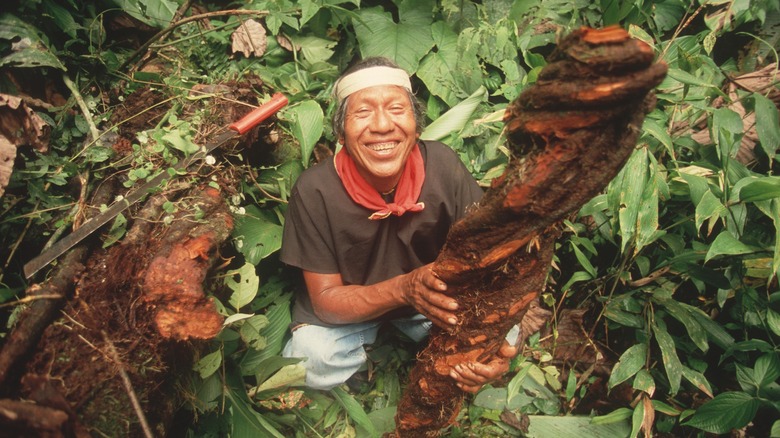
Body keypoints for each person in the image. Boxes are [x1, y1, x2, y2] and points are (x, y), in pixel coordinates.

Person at [280, 57, 518, 392]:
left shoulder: (443, 166)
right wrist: (404, 288)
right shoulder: (314, 190)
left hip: (432, 304)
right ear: (341, 131)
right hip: (354, 310)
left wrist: (493, 345)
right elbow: (325, 300)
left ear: (416, 123)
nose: (381, 126)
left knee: (503, 330)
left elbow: (486, 260)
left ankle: (442, 356)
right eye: (363, 113)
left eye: (396, 109)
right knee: (309, 360)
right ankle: (369, 350)